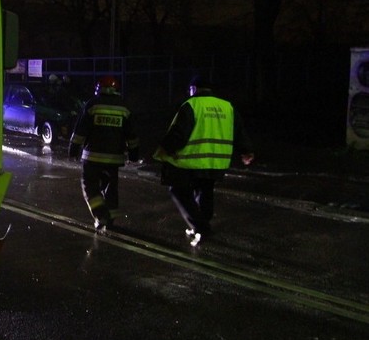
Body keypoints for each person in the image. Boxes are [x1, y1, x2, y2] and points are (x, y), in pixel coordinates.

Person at [153, 75, 254, 246]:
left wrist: (166, 149)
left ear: (193, 89)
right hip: (216, 161)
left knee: (179, 191)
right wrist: (246, 151)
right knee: (205, 191)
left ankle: (200, 227)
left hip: (191, 160)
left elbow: (179, 132)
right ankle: (201, 226)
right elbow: (239, 130)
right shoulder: (227, 107)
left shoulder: (191, 105)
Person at [68, 75, 140, 231]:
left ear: (99, 89)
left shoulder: (92, 104)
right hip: (114, 159)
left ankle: (101, 215)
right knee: (111, 188)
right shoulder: (124, 107)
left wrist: (73, 149)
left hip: (92, 157)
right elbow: (132, 134)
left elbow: (80, 130)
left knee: (90, 186)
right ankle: (111, 218)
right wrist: (134, 153)